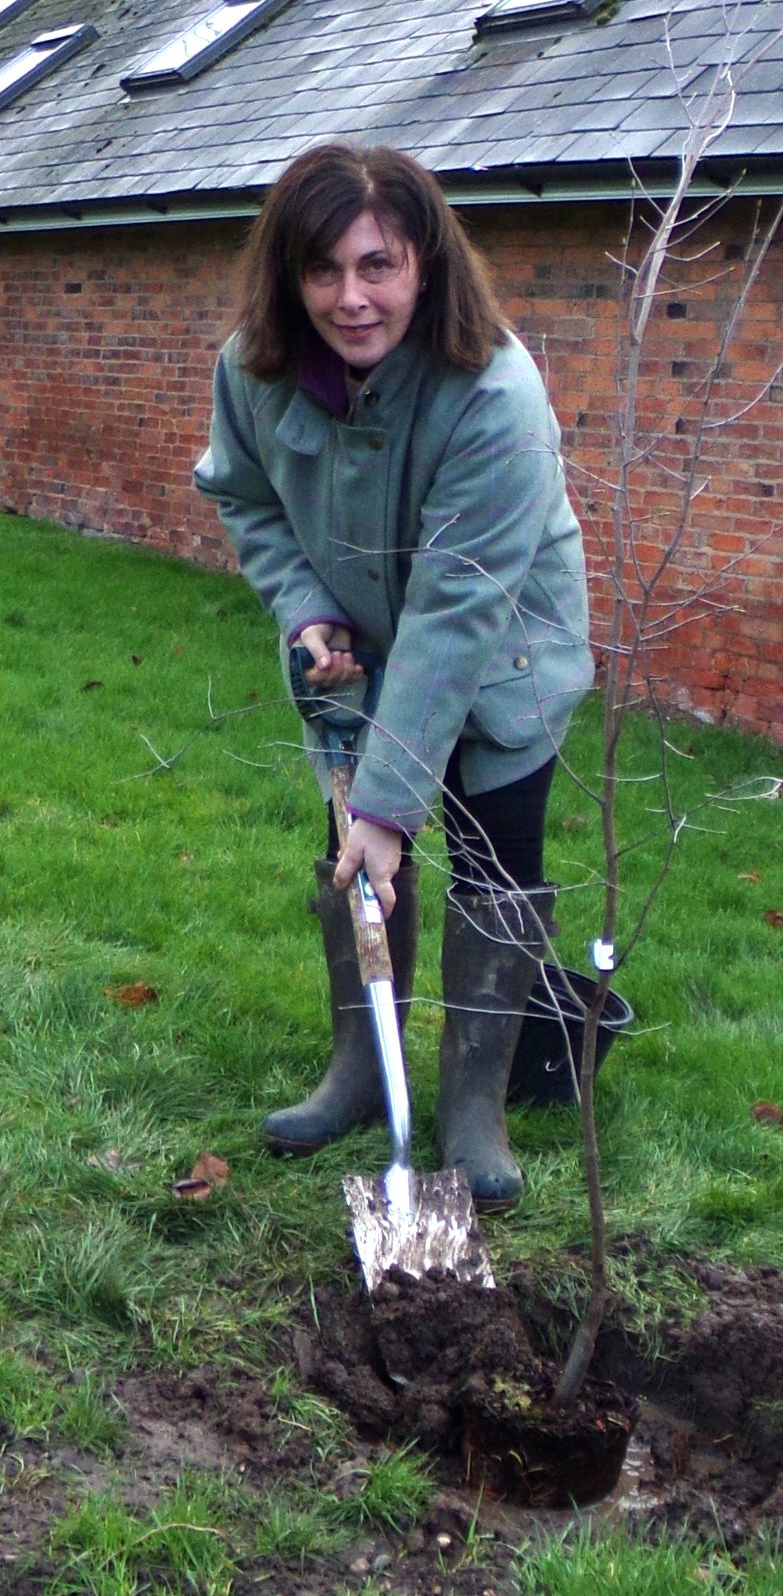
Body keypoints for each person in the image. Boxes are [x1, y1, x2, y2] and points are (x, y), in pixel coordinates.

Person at [194, 143, 594, 1210]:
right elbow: (242, 495)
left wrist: (388, 797)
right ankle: (364, 1070)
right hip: (362, 661)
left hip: (503, 652)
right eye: (322, 270)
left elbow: (460, 613)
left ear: (427, 266)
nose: (351, 297)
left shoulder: (492, 394)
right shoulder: (256, 369)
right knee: (355, 860)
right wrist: (306, 607)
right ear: (288, 276)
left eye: (379, 265)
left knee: (496, 866)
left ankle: (474, 1107)